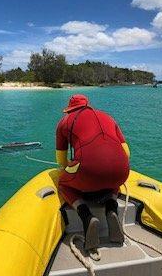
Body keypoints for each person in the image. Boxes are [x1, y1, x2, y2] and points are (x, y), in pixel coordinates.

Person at [56, 94, 130, 250]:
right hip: (122, 169)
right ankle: (111, 209)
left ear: (70, 109)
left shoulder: (64, 122)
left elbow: (61, 161)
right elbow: (127, 152)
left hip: (88, 172)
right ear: (87, 104)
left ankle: (87, 217)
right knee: (114, 180)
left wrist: (72, 167)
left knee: (63, 184)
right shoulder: (108, 117)